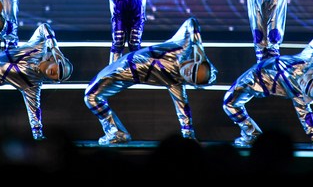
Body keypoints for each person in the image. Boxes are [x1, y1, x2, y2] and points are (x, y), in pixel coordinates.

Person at [84, 17, 218, 145]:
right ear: (195, 60)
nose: (190, 73)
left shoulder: (176, 83)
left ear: (192, 84)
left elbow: (183, 110)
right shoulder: (182, 48)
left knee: (91, 97)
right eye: (195, 69)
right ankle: (116, 132)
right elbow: (191, 22)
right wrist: (199, 47)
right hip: (125, 62)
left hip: (124, 74)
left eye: (194, 78)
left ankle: (117, 133)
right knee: (91, 96)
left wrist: (188, 136)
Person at [223, 37, 313, 147]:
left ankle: (254, 135)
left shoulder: (299, 94)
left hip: (257, 79)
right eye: (311, 83)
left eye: (309, 90)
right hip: (270, 56)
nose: (305, 84)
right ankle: (253, 136)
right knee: (269, 35)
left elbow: (305, 115)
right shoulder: (308, 61)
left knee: (229, 103)